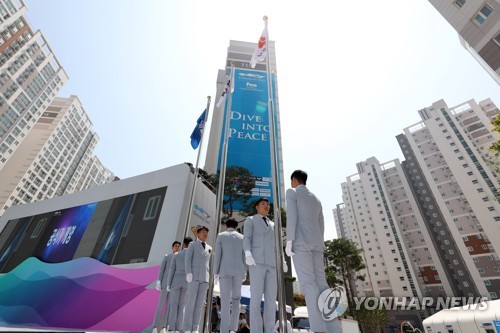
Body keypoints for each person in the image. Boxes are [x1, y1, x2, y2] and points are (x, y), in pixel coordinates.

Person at [285, 170, 342, 333]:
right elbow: (321, 224)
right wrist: (319, 242)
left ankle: (318, 329)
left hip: (301, 243)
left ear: (294, 180)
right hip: (317, 244)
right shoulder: (316, 199)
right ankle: (333, 327)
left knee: (309, 284)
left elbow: (292, 216)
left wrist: (289, 241)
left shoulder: (292, 192)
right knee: (322, 284)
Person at [243, 198, 277, 333]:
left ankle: (270, 329)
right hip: (256, 261)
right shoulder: (250, 220)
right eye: (263, 204)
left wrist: (283, 261)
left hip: (272, 263)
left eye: (268, 204)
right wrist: (247, 253)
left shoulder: (273, 224)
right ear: (257, 207)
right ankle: (256, 330)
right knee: (256, 298)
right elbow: (247, 238)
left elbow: (276, 244)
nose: (266, 206)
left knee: (271, 299)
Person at [214, 218, 247, 333]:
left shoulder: (221, 235)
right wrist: (245, 272)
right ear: (236, 226)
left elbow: (218, 255)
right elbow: (244, 256)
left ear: (226, 225)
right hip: (239, 271)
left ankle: (224, 330)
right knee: (236, 299)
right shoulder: (242, 237)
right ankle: (233, 329)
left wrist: (215, 272)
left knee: (225, 300)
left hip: (225, 270)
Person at [184, 225, 212, 333]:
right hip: (194, 277)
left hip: (204, 278)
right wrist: (188, 273)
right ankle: (187, 328)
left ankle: (195, 328)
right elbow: (188, 259)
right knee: (190, 304)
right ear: (198, 234)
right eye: (203, 231)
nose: (205, 233)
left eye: (206, 232)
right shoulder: (192, 244)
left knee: (199, 306)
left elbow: (208, 264)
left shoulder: (209, 247)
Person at [152, 241, 181, 333]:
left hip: (173, 286)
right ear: (172, 247)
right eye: (176, 246)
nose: (177, 248)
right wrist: (159, 281)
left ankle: (164, 327)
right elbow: (162, 270)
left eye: (179, 246)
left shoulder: (179, 258)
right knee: (160, 306)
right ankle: (155, 327)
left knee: (168, 307)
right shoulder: (167, 256)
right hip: (164, 284)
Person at [166, 237, 192, 333]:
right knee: (181, 306)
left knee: (173, 305)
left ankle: (171, 328)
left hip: (175, 282)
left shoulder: (176, 255)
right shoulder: (191, 256)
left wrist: (168, 284)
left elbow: (171, 271)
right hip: (186, 283)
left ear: (184, 244)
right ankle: (178, 329)